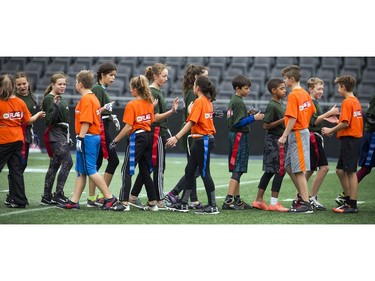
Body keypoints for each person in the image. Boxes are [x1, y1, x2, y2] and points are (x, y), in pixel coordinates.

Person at [57, 70, 118, 210]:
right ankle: (74, 201)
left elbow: (86, 121)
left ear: (80, 84)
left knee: (91, 169)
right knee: (81, 171)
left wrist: (80, 138)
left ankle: (110, 198)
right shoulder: (93, 97)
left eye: (77, 82)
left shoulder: (87, 99)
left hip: (88, 137)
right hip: (92, 137)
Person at [165, 75, 219, 214]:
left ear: (197, 88)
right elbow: (198, 119)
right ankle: (183, 203)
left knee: (204, 172)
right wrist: (191, 112)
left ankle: (212, 206)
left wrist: (176, 137)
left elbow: (191, 123)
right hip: (200, 140)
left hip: (203, 140)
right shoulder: (206, 101)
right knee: (189, 171)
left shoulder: (200, 101)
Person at [129, 63, 179, 210]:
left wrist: (168, 133)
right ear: (156, 76)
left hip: (158, 133)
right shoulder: (153, 92)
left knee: (150, 167)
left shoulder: (158, 92)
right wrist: (171, 111)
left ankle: (133, 195)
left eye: (166, 76)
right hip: (155, 133)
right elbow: (155, 117)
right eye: (163, 76)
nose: (166, 79)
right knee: (158, 167)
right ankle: (159, 200)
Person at [108, 75, 158, 211]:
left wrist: (115, 140)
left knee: (126, 170)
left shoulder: (132, 104)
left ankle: (124, 203)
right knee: (145, 171)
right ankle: (153, 202)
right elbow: (151, 120)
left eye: (131, 88)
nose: (130, 91)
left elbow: (129, 127)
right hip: (148, 136)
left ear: (136, 88)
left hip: (137, 138)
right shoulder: (149, 103)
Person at [1, 74, 45, 208]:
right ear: (14, 86)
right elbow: (28, 120)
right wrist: (37, 115)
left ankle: (15, 198)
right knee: (16, 171)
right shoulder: (20, 102)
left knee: (16, 170)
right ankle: (20, 200)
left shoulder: (2, 102)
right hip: (18, 139)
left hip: (3, 140)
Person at [322, 75, 363, 213]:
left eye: (339, 87)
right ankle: (348, 199)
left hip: (351, 140)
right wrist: (337, 122)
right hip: (350, 140)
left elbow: (346, 123)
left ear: (343, 87)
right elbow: (346, 121)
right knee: (340, 170)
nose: (338, 90)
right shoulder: (355, 100)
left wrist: (330, 130)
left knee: (351, 172)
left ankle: (352, 205)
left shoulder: (347, 102)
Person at [222, 74, 264, 210]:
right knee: (238, 168)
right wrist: (254, 118)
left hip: (235, 136)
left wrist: (248, 114)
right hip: (238, 136)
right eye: (246, 88)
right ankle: (228, 200)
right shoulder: (238, 102)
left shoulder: (235, 100)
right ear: (238, 88)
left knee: (237, 168)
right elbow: (238, 123)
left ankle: (237, 200)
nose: (248, 91)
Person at [278, 65, 316, 213]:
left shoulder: (294, 95)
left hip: (298, 133)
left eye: (285, 78)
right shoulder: (305, 93)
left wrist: (284, 136)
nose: (284, 81)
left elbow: (293, 117)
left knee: (299, 170)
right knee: (289, 166)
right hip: (300, 132)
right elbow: (311, 110)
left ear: (292, 79)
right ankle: (302, 196)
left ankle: (306, 204)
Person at [252, 78, 289, 212]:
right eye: (281, 88)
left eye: (285, 88)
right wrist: (283, 120)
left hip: (278, 141)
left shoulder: (280, 103)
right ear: (273, 91)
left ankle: (258, 200)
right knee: (279, 170)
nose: (285, 91)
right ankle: (274, 203)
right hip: (274, 141)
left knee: (270, 171)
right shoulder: (273, 105)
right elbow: (265, 125)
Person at [87, 62, 120, 207]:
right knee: (113, 160)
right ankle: (102, 196)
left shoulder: (101, 89)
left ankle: (93, 198)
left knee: (97, 163)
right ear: (102, 75)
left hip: (102, 127)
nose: (113, 78)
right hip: (99, 129)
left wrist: (112, 117)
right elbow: (94, 111)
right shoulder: (97, 89)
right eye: (111, 75)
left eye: (115, 75)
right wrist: (106, 111)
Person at [304, 77, 339, 211]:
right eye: (318, 89)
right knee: (324, 168)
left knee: (311, 168)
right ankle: (311, 197)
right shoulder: (311, 102)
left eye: (322, 89)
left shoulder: (314, 102)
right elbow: (313, 122)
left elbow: (316, 122)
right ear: (311, 89)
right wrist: (329, 113)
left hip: (315, 136)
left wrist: (324, 129)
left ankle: (302, 196)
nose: (321, 91)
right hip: (313, 138)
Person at [40, 72, 73, 205]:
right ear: (53, 84)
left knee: (54, 165)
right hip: (55, 134)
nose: (63, 86)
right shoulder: (50, 99)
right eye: (60, 84)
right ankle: (58, 194)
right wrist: (53, 105)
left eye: (64, 84)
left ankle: (46, 196)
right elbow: (48, 120)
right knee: (68, 162)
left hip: (61, 134)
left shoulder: (60, 98)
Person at [14, 72, 40, 171]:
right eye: (19, 84)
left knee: (22, 164)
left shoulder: (31, 97)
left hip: (27, 134)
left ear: (28, 83)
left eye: (24, 83)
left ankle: (15, 185)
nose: (22, 86)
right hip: (16, 134)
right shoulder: (13, 98)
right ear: (14, 86)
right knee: (17, 165)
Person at [356, 93, 375, 183]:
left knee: (367, 168)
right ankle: (346, 193)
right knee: (366, 167)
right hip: (372, 134)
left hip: (370, 133)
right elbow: (369, 118)